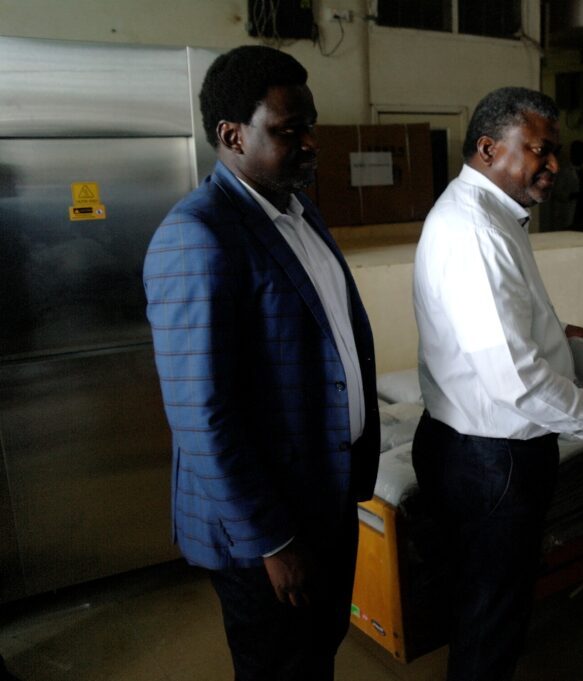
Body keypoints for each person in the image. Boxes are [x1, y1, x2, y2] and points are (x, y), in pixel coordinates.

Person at [143, 46, 379, 681]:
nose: (310, 143)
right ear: (232, 136)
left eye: (311, 125)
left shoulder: (297, 211)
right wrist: (273, 542)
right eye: (288, 129)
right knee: (280, 668)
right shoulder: (198, 236)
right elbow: (202, 415)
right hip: (268, 527)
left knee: (317, 653)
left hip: (325, 494)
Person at [412, 86, 583, 681]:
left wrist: (554, 330)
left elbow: (498, 325)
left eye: (553, 151)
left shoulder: (489, 213)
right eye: (538, 150)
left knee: (482, 600)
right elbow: (519, 383)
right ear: (489, 148)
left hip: (470, 447)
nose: (553, 164)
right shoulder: (476, 230)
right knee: (493, 612)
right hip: (493, 460)